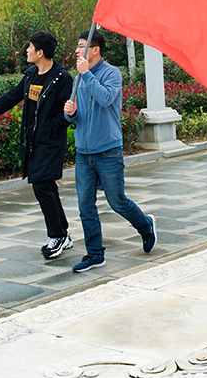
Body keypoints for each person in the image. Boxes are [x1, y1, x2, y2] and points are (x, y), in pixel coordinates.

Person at [0, 31, 74, 260]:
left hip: (50, 142)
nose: (26, 50)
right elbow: (11, 97)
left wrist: (51, 127)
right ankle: (63, 233)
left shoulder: (61, 78)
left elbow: (70, 111)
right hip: (32, 142)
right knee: (47, 186)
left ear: (40, 52)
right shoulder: (31, 75)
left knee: (41, 185)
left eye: (30, 47)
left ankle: (57, 236)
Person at [64, 30, 156, 272]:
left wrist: (86, 74)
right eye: (77, 45)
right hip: (84, 153)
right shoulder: (78, 77)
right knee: (85, 205)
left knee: (117, 201)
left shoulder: (112, 73)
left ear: (95, 50)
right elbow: (74, 114)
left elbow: (105, 99)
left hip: (108, 151)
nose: (77, 50)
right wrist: (70, 113)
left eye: (82, 45)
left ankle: (145, 226)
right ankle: (95, 254)